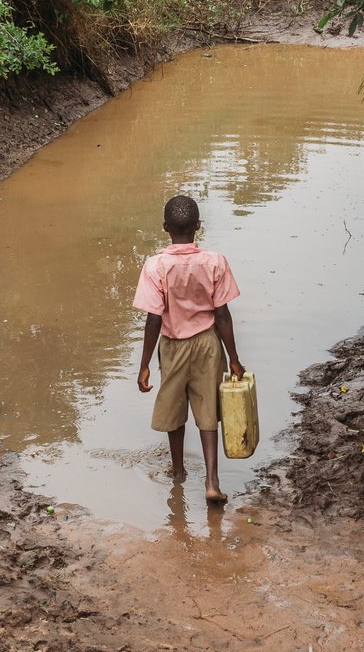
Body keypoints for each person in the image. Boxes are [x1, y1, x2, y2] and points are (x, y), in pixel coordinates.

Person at [133, 194, 245, 505]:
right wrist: (234, 358)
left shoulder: (156, 266)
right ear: (198, 226)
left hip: (172, 345)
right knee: (208, 411)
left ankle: (179, 473)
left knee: (174, 411)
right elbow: (222, 315)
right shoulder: (214, 261)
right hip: (208, 344)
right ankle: (212, 482)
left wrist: (144, 364)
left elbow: (153, 319)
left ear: (165, 228)